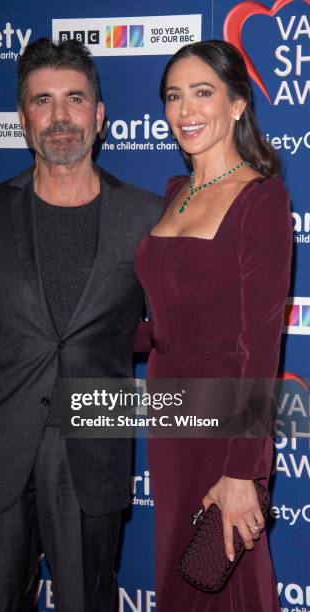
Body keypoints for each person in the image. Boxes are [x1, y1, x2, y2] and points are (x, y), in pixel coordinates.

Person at [0, 37, 162, 612]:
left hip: (94, 449)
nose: (60, 117)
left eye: (75, 99)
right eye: (43, 101)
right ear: (22, 118)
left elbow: (176, 330)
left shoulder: (148, 217)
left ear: (99, 115)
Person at [134, 40, 292, 610]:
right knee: (180, 567)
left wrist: (244, 470)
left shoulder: (261, 199)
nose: (186, 110)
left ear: (237, 104)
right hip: (168, 405)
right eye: (174, 97)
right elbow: (171, 317)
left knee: (226, 577)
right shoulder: (175, 193)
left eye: (203, 93)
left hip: (225, 417)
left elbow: (261, 344)